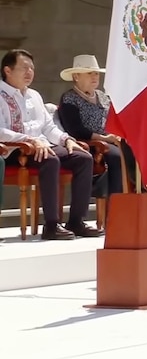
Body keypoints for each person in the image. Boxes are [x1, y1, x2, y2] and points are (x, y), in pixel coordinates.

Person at [0, 49, 100, 239]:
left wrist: (66, 140)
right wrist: (29, 140)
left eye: (32, 68)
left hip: (43, 147)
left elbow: (48, 126)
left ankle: (76, 221)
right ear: (8, 70)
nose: (29, 72)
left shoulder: (34, 96)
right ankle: (52, 225)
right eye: (24, 68)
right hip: (14, 150)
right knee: (50, 160)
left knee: (83, 158)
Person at [56, 54, 126, 200]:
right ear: (76, 76)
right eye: (89, 73)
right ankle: (114, 209)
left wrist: (118, 135)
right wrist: (104, 138)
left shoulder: (103, 96)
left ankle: (133, 203)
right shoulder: (69, 98)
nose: (95, 77)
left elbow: (116, 118)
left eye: (96, 74)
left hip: (111, 139)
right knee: (117, 156)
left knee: (135, 152)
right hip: (89, 144)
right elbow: (75, 129)